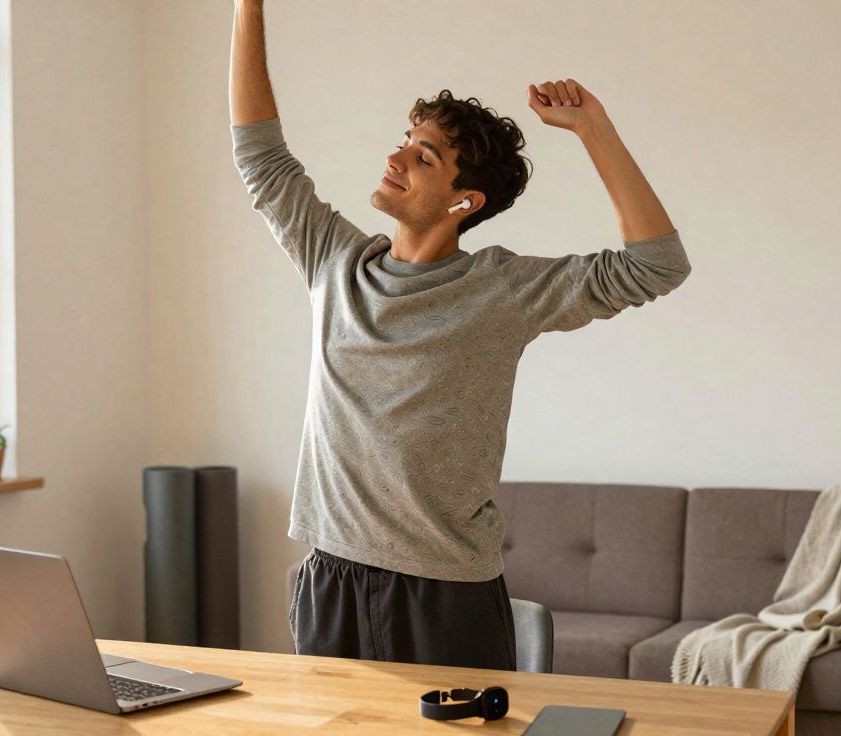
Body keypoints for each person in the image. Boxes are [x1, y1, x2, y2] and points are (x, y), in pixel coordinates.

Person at [229, 0, 691, 671]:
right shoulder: (334, 262)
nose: (395, 157)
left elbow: (658, 265)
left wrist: (594, 130)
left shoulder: (499, 291)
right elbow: (260, 156)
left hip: (443, 594)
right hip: (330, 579)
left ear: (462, 201)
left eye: (422, 155)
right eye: (405, 141)